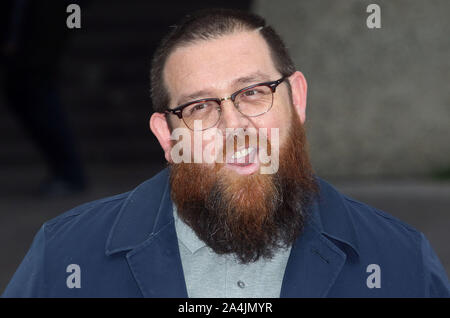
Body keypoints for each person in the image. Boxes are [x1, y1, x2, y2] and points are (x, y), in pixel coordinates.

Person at [2, 8, 449, 298]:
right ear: (166, 135)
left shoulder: (400, 262)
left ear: (296, 99)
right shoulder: (64, 259)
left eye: (253, 93)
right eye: (199, 107)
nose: (234, 127)